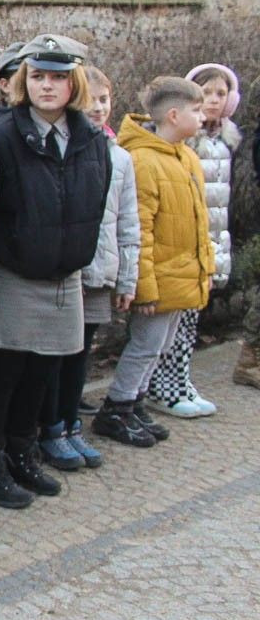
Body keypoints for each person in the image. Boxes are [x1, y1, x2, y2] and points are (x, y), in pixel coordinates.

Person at [0, 35, 110, 506]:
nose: (47, 86)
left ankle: (22, 451)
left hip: (63, 277)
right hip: (14, 273)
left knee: (42, 373)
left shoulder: (91, 139)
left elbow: (96, 201)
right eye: (38, 76)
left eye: (57, 77)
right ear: (23, 82)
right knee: (3, 375)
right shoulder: (2, 135)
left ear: (75, 84)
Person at [92, 77, 213, 447]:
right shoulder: (144, 161)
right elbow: (139, 230)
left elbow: (198, 223)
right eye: (197, 110)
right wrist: (143, 287)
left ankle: (134, 403)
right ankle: (116, 408)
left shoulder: (185, 157)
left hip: (181, 278)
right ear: (174, 115)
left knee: (161, 346)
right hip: (158, 281)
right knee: (145, 346)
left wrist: (204, 270)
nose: (203, 117)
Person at [37, 65, 139, 470]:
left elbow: (128, 222)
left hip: (99, 274)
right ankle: (51, 427)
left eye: (104, 99)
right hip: (67, 275)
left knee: (81, 355)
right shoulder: (63, 148)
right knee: (55, 358)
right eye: (89, 100)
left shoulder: (119, 156)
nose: (98, 108)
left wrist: (127, 276)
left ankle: (71, 423)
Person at [146, 63, 242, 417]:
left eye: (220, 94)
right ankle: (163, 386)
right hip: (183, 245)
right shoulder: (184, 143)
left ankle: (181, 380)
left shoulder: (226, 140)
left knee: (191, 321)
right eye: (206, 94)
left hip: (212, 240)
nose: (213, 101)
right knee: (175, 321)